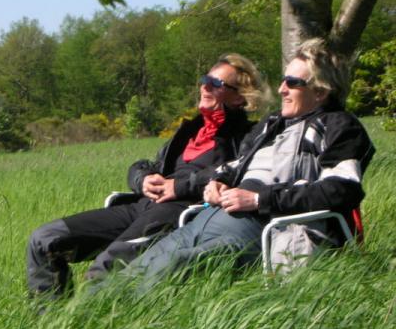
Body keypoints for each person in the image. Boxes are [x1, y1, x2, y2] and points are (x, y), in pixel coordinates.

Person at [123, 38, 376, 287]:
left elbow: (342, 189)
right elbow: (237, 164)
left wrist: (258, 199)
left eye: (292, 83)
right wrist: (219, 181)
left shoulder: (339, 126)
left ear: (320, 91)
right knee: (136, 266)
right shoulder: (273, 123)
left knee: (172, 266)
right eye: (282, 80)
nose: (281, 89)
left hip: (262, 225)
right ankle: (92, 316)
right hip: (210, 216)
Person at [26, 53, 271, 297]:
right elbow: (145, 164)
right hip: (142, 205)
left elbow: (235, 171)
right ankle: (48, 319)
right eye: (204, 79)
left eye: (216, 84)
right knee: (45, 239)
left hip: (180, 212)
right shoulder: (190, 130)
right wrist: (142, 179)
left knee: (102, 271)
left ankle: (81, 328)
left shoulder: (246, 135)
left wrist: (180, 187)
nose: (205, 86)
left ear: (240, 97)